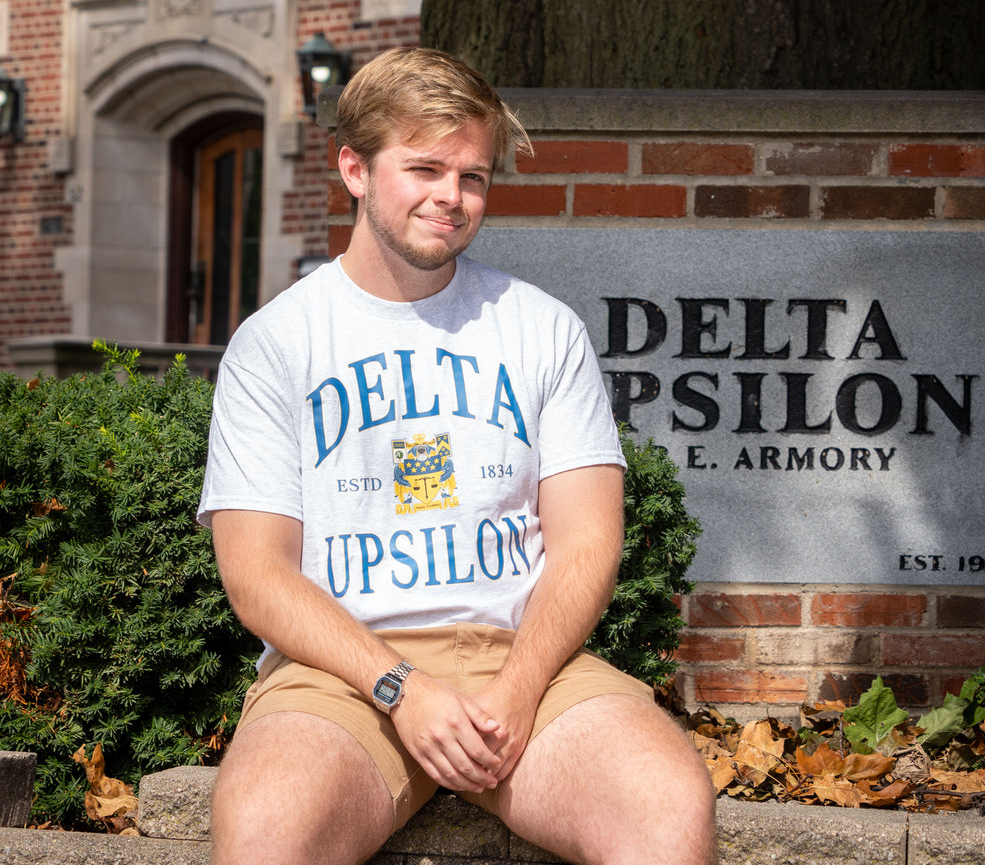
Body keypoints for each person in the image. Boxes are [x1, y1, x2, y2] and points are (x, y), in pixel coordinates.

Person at [199, 46, 716, 865]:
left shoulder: (543, 329)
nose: (452, 197)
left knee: (667, 811)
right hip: (340, 676)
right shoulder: (278, 344)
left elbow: (587, 541)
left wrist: (516, 692)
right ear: (354, 170)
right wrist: (397, 687)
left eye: (472, 177)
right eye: (426, 169)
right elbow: (258, 573)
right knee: (266, 832)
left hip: (521, 663)